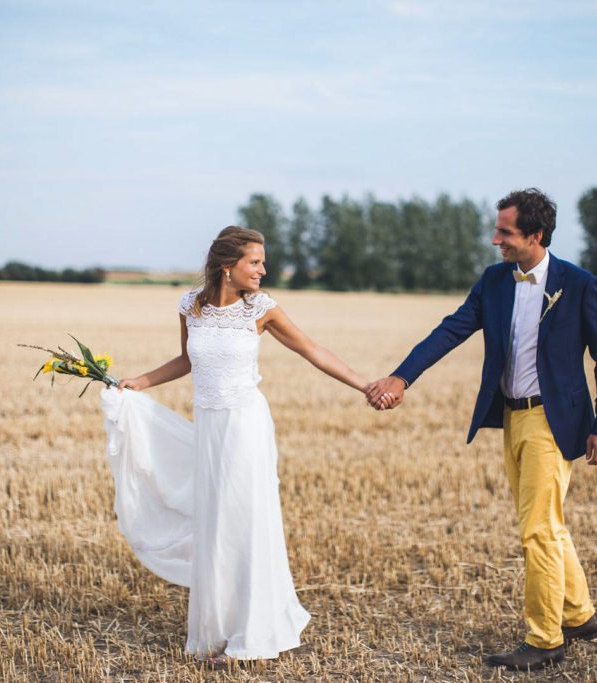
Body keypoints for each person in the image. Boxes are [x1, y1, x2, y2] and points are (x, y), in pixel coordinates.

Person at [103, 226, 389, 667]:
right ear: (227, 266)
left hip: (246, 426)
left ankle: (250, 636)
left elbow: (312, 350)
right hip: (210, 426)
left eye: (262, 262)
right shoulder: (190, 306)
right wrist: (140, 381)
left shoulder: (262, 309)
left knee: (246, 520)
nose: (263, 269)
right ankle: (219, 627)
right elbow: (187, 359)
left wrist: (365, 385)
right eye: (255, 262)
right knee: (216, 522)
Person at [366, 188, 597, 671]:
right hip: (512, 417)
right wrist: (401, 377)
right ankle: (580, 614)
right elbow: (451, 329)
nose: (494, 240)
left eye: (504, 232)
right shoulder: (494, 282)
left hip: (556, 421)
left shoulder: (580, 284)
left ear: (535, 235)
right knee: (547, 522)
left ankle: (546, 639)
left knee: (537, 531)